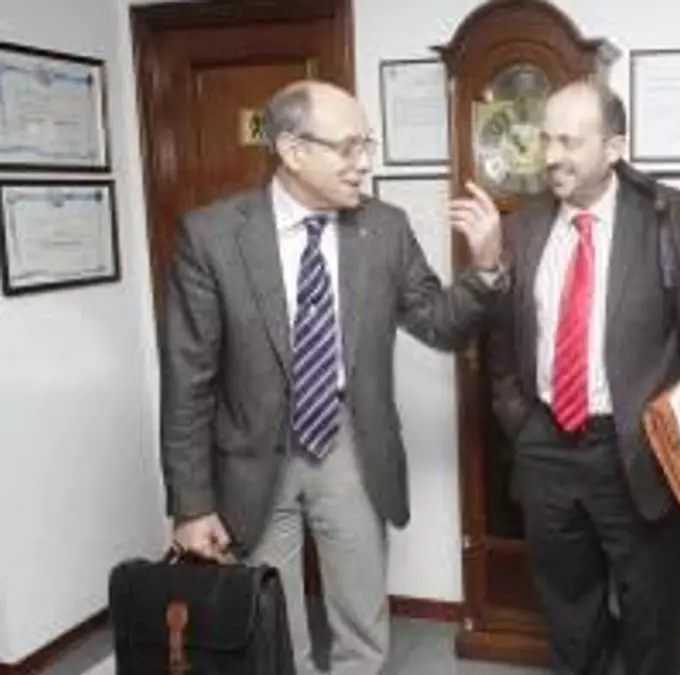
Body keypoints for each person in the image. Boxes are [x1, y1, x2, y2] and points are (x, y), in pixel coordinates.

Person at [158, 79, 504, 675]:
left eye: (366, 144)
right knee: (268, 630)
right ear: (293, 150)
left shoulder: (385, 228)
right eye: (348, 147)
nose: (363, 162)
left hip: (352, 447)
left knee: (362, 628)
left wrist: (487, 265)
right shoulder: (211, 236)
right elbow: (187, 379)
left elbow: (439, 325)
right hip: (250, 456)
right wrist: (192, 505)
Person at [484, 80, 680, 675]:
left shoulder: (675, 219)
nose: (551, 156)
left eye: (568, 141)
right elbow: (503, 336)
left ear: (613, 148)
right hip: (546, 446)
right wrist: (520, 421)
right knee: (567, 607)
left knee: (649, 610)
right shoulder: (523, 227)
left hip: (634, 448)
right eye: (545, 139)